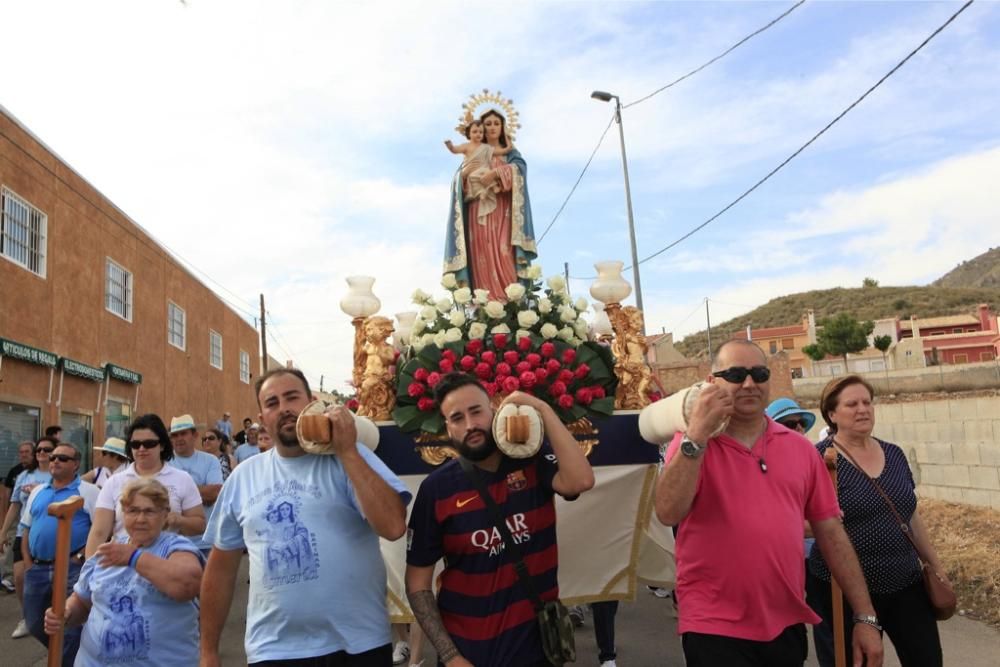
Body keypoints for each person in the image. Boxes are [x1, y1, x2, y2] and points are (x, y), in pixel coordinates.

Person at [653, 340, 884, 667]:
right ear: (712, 381)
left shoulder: (800, 450)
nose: (749, 383)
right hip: (713, 625)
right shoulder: (692, 442)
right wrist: (696, 437)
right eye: (735, 374)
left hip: (786, 624)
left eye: (758, 374)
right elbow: (667, 512)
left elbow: (831, 533)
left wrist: (865, 616)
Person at [200, 367, 411, 666]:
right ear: (262, 418)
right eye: (272, 403)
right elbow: (220, 571)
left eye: (292, 397)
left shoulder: (352, 457)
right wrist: (208, 652)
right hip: (274, 650)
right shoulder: (243, 478)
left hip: (358, 645)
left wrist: (348, 451)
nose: (284, 408)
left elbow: (392, 526)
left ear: (311, 402)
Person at [406, 372, 595, 667]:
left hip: (536, 653)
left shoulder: (532, 462)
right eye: (457, 418)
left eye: (476, 411)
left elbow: (580, 481)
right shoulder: (436, 490)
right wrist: (450, 656)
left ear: (494, 410)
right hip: (469, 656)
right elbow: (418, 583)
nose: (470, 425)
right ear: (448, 428)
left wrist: (542, 409)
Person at [806, 375, 946, 667]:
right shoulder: (818, 459)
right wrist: (827, 520)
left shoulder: (894, 454)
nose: (863, 409)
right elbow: (799, 522)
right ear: (832, 414)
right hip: (841, 591)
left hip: (904, 583)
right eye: (852, 404)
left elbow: (911, 515)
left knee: (927, 659)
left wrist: (935, 566)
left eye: (867, 402)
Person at [44, 478, 204, 666]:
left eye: (149, 511)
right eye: (133, 511)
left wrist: (134, 558)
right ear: (123, 513)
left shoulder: (175, 547)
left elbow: (187, 585)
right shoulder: (106, 551)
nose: (140, 519)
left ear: (165, 514)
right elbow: (83, 601)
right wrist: (67, 613)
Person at [443, 108, 537, 300]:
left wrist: (495, 173)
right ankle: (484, 306)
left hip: (505, 213)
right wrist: (465, 175)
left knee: (504, 252)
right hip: (478, 211)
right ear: (480, 129)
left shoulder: (510, 154)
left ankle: (510, 303)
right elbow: (458, 181)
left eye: (496, 123)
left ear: (503, 127)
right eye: (488, 124)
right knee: (481, 254)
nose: (492, 127)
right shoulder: (475, 152)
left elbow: (520, 171)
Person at [20, 442, 99, 665]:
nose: (54, 460)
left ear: (75, 465)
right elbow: (26, 528)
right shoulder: (37, 491)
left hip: (71, 568)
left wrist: (81, 558)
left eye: (62, 458)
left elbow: (101, 530)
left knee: (70, 624)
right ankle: (69, 655)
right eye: (53, 457)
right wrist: (28, 562)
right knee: (35, 621)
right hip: (37, 567)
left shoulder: (89, 492)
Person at [85, 414, 205, 557]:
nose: (141, 448)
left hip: (166, 562)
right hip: (122, 563)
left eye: (149, 444)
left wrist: (179, 520)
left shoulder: (182, 479)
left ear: (162, 445)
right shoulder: (114, 482)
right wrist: (90, 571)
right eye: (135, 444)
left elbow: (200, 525)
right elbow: (99, 532)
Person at [0, 437, 54, 638]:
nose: (42, 453)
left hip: (49, 534)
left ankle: (52, 616)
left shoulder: (57, 475)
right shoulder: (24, 476)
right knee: (20, 577)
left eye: (46, 449)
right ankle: (27, 617)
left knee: (51, 580)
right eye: (39, 449)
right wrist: (3, 532)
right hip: (24, 533)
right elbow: (15, 505)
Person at [168, 415, 223, 555]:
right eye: (174, 435)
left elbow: (214, 493)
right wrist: (200, 490)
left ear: (195, 435)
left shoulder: (211, 461)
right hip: (172, 542)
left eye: (183, 433)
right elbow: (160, 498)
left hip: (205, 542)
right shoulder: (164, 463)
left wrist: (176, 493)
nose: (179, 438)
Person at [445, 120, 513, 227]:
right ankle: (481, 192)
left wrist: (508, 146)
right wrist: (450, 146)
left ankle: (493, 187)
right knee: (474, 178)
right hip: (471, 173)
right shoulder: (466, 146)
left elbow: (500, 151)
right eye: (475, 132)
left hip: (483, 171)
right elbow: (455, 150)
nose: (478, 134)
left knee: (486, 173)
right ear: (469, 133)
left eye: (481, 132)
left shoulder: (486, 148)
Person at [1, 440, 35, 594]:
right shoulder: (17, 473)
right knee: (20, 574)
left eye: (27, 452)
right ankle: (9, 578)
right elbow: (10, 499)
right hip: (21, 525)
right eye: (21, 452)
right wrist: (3, 530)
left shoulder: (50, 473)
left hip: (40, 529)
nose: (24, 455)